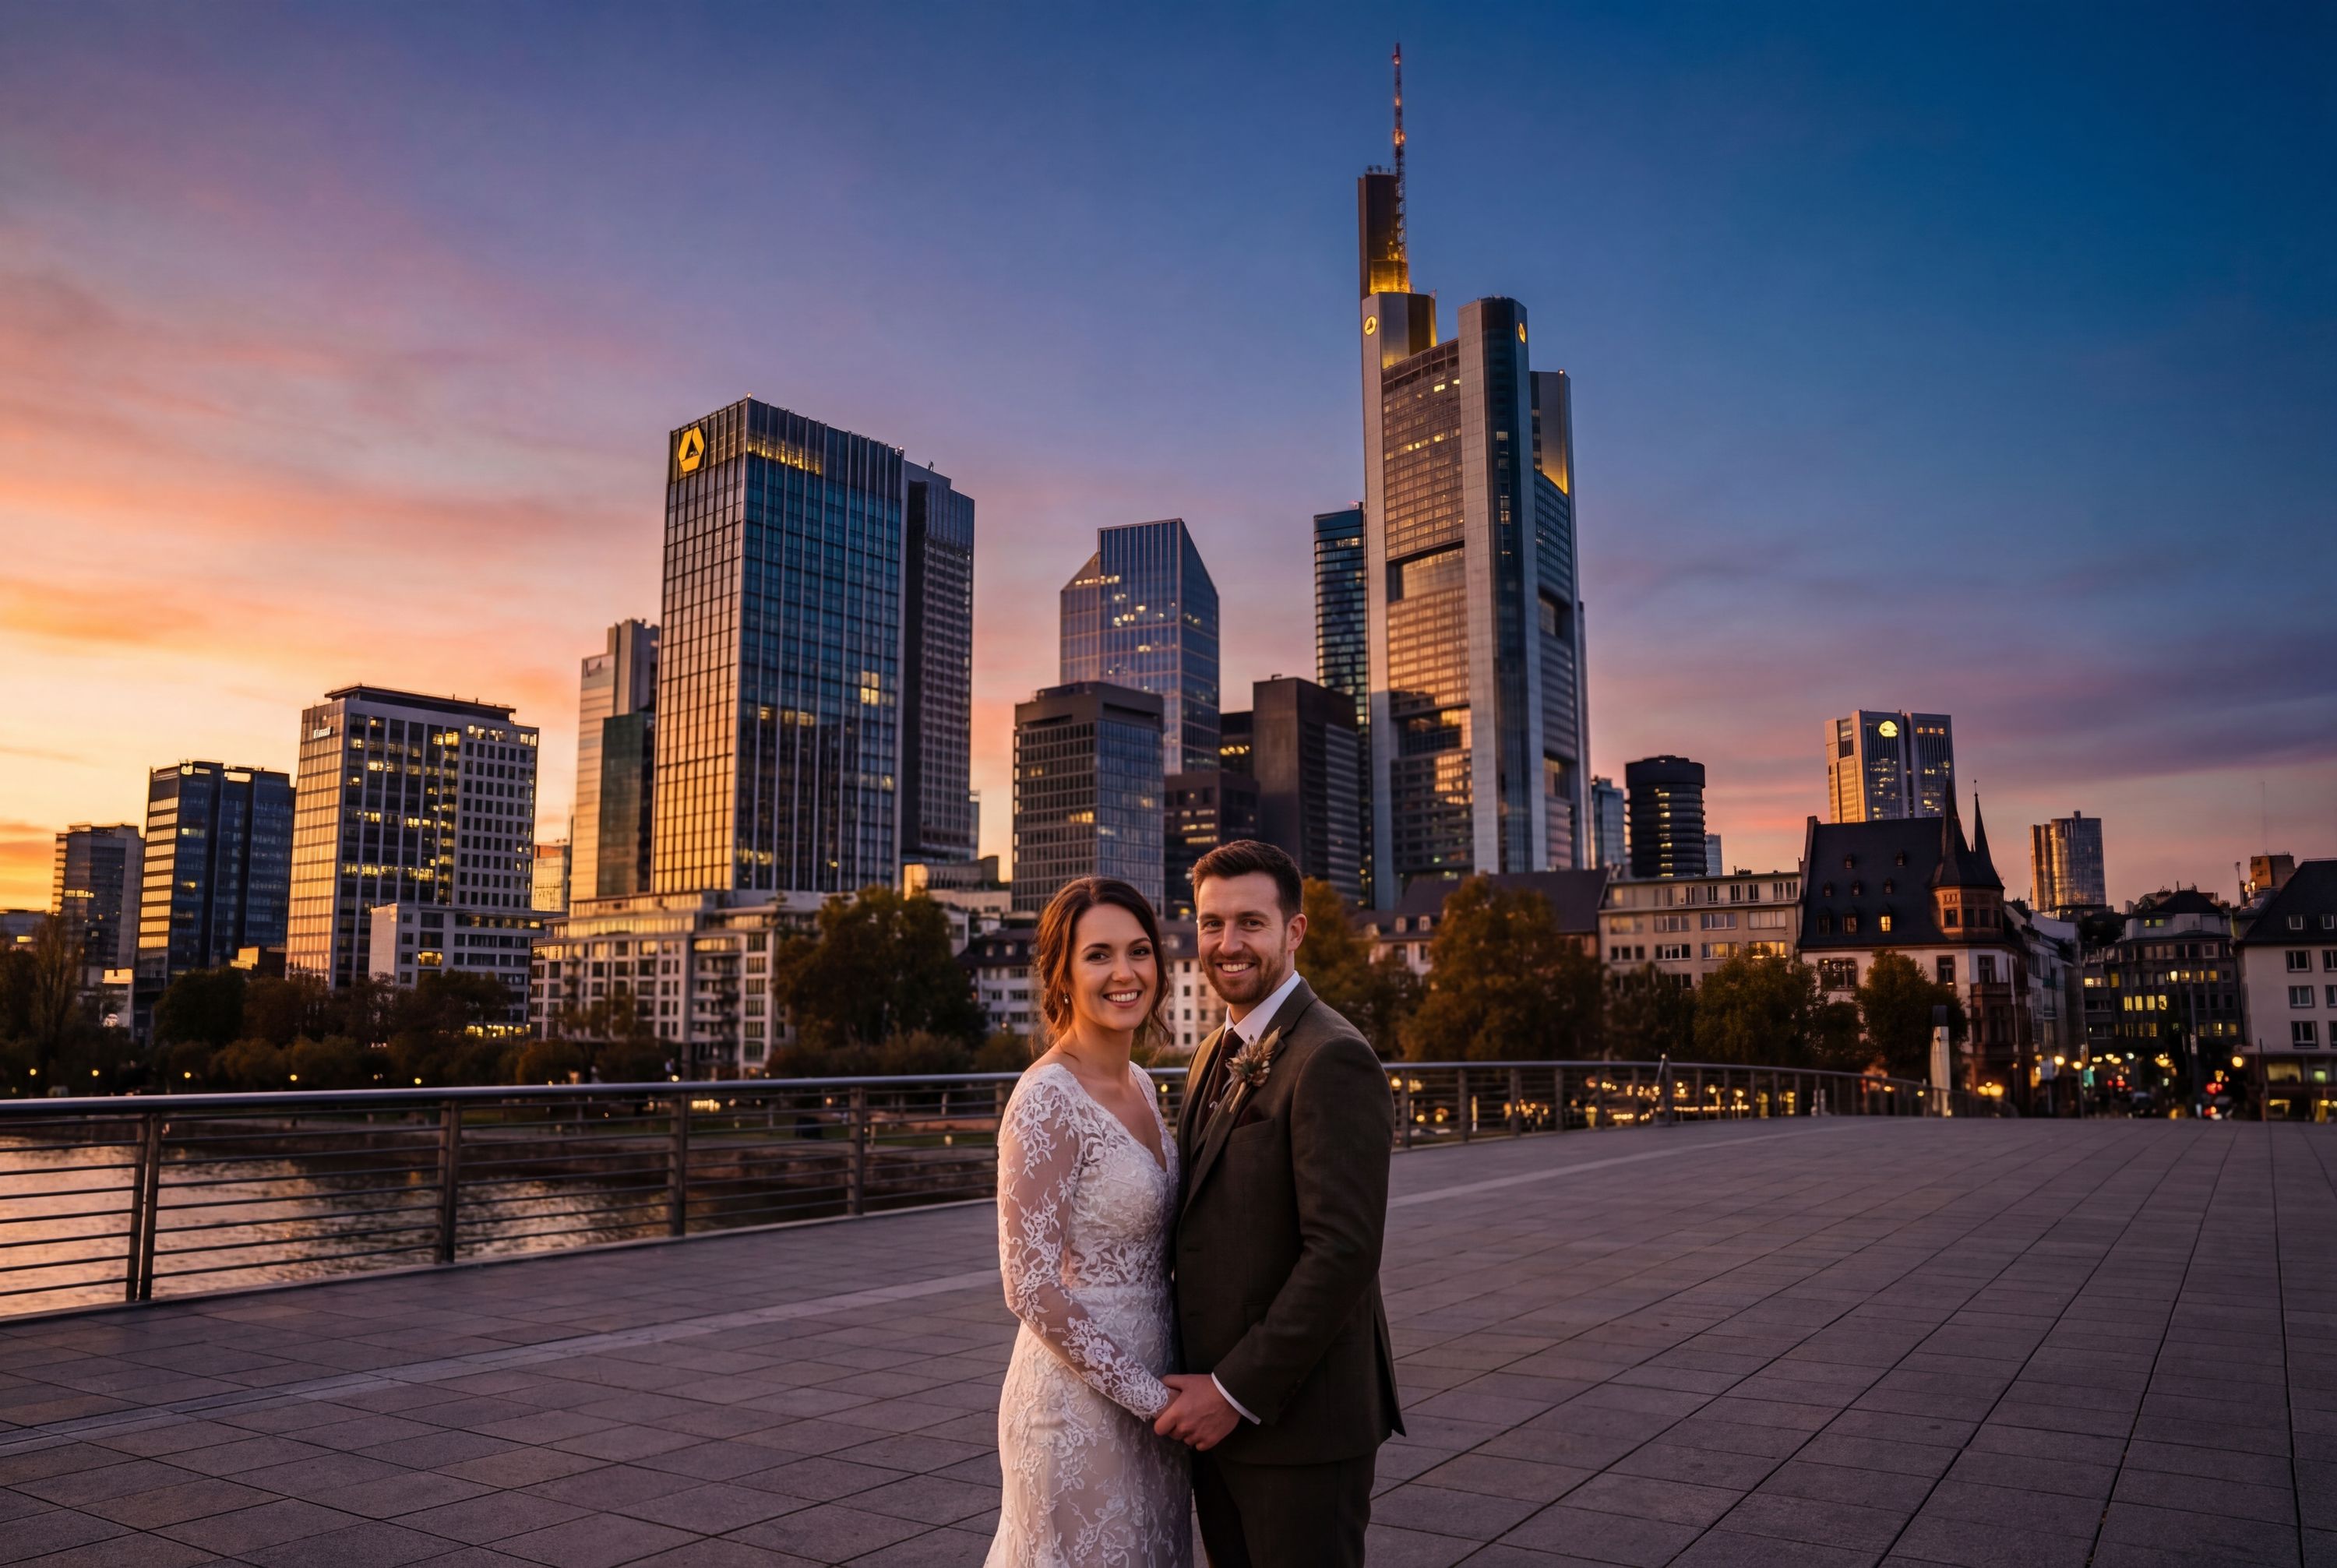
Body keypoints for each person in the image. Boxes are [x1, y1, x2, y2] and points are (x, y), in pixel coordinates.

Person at [1154, 840, 1402, 1567]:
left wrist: (1231, 1392)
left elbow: (1343, 1254)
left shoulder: (1332, 1057)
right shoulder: (1211, 1051)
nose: (1227, 944)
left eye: (1250, 923)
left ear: (1294, 930)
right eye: (1210, 923)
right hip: (1218, 1420)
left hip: (1298, 1422)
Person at [987, 877, 1190, 1567]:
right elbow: (1028, 1286)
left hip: (1156, 1400)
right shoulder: (1047, 1096)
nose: (1125, 972)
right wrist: (1149, 1396)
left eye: (1139, 951)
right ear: (1062, 972)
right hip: (1075, 1410)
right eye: (1098, 954)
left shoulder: (1142, 1083)